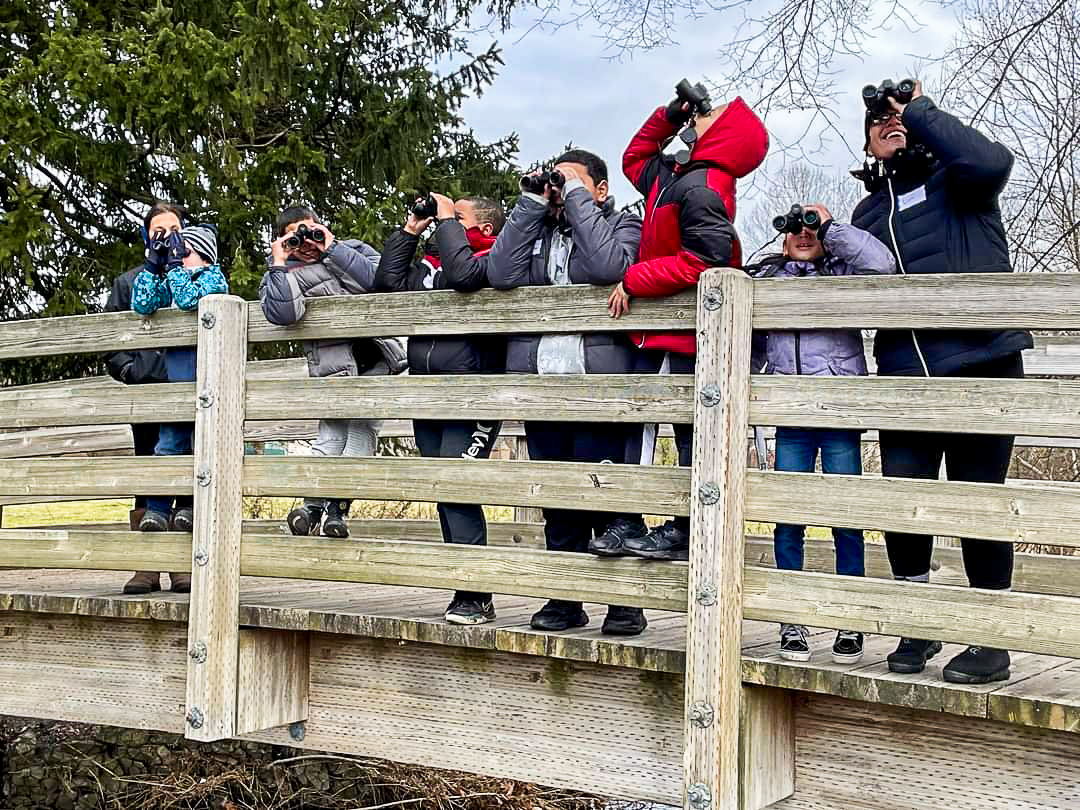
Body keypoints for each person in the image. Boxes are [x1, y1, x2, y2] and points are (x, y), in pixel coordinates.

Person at [851, 79, 1032, 685]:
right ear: (868, 144)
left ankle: (990, 636)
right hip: (905, 374)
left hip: (982, 362)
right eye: (878, 119)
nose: (889, 121)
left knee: (977, 499)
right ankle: (918, 621)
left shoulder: (960, 179)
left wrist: (921, 111)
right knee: (906, 501)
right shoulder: (869, 211)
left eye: (895, 115)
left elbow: (992, 160)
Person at [487, 149, 649, 637]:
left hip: (601, 387)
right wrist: (532, 203)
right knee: (557, 497)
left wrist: (577, 198)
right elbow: (500, 274)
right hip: (543, 387)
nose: (560, 189)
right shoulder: (537, 229)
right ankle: (565, 595)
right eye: (558, 184)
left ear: (599, 190)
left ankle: (624, 602)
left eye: (572, 183)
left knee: (609, 494)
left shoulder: (623, 225)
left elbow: (606, 265)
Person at [607, 86, 768, 561]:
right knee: (640, 427)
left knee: (689, 435)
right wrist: (670, 115)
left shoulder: (704, 186)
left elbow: (707, 260)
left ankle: (682, 526)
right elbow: (635, 159)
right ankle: (629, 519)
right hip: (660, 332)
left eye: (708, 114)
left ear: (721, 135)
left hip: (686, 334)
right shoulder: (676, 175)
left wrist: (635, 278)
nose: (701, 115)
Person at [746, 203, 897, 664]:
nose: (802, 235)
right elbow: (748, 345)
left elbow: (883, 265)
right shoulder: (767, 281)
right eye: (794, 229)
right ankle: (792, 620)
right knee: (787, 518)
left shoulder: (845, 273)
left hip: (838, 415)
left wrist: (830, 227)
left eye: (810, 229)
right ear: (781, 238)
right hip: (789, 415)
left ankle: (848, 621)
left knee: (844, 517)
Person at [375, 193, 506, 625]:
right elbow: (386, 285)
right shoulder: (430, 270)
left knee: (457, 488)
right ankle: (462, 586)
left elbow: (464, 276)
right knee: (440, 490)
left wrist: (448, 220)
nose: (443, 225)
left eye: (456, 219)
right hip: (428, 395)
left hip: (473, 397)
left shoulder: (492, 258)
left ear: (482, 229)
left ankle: (475, 593)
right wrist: (411, 228)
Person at [259, 206, 406, 538]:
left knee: (361, 431)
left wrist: (334, 249)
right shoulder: (283, 274)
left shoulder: (350, 250)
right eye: (296, 236)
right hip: (334, 369)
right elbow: (285, 313)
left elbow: (381, 282)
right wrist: (279, 263)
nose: (307, 241)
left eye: (310, 230)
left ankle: (332, 510)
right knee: (331, 437)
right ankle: (317, 509)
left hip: (379, 360)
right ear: (283, 240)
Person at [132, 219, 228, 592]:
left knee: (198, 452)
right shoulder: (173, 278)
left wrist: (175, 268)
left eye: (184, 251)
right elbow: (142, 304)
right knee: (167, 448)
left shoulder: (212, 278)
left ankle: (188, 510)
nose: (178, 256)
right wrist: (155, 266)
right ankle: (156, 510)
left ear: (204, 255)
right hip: (176, 391)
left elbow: (191, 301)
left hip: (207, 388)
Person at [105, 203, 175, 594]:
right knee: (147, 472)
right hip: (146, 392)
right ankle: (147, 566)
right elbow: (111, 340)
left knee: (186, 473)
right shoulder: (128, 282)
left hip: (189, 391)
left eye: (173, 228)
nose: (165, 235)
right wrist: (129, 371)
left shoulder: (194, 276)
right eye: (158, 229)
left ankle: (182, 565)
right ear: (147, 235)